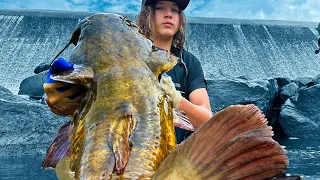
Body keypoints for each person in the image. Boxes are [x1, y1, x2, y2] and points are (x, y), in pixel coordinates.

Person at [44, 0, 212, 144]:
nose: (169, 14)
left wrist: (176, 99)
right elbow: (84, 108)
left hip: (175, 162)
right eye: (160, 7)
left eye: (175, 9)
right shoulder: (116, 56)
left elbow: (207, 120)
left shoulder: (189, 63)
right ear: (147, 14)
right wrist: (62, 102)